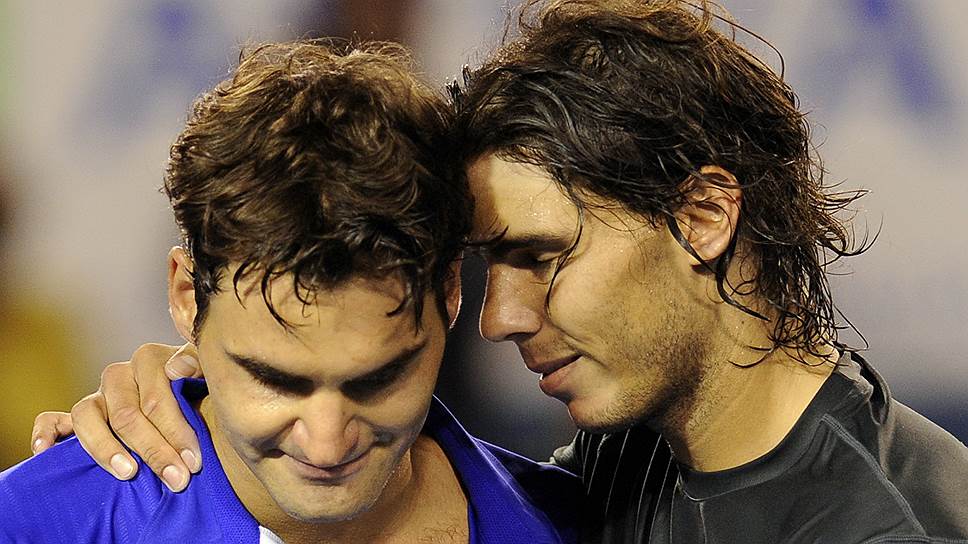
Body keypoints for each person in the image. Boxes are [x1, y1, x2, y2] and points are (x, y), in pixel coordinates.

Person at [31, 1, 968, 542]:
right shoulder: (622, 467)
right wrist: (190, 389)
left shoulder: (892, 529)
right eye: (492, 264)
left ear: (704, 217)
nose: (499, 316)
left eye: (541, 256)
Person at [1, 40, 580, 544]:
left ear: (451, 289)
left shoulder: (578, 521)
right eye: (274, 380)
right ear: (185, 296)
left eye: (377, 380)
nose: (327, 445)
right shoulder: (29, 525)